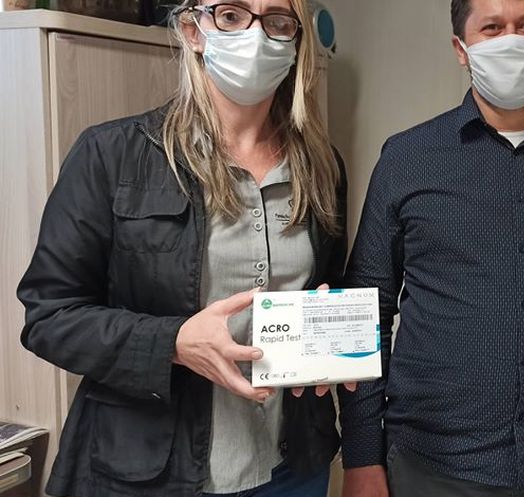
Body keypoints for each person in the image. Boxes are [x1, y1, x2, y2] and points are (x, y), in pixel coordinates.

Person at [17, 1, 351, 496]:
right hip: (149, 472)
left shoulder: (320, 167)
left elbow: (329, 287)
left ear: (295, 42)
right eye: (232, 15)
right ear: (193, 30)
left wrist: (324, 337)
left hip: (291, 467)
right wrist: (172, 342)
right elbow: (49, 317)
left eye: (278, 22)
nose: (256, 37)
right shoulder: (112, 155)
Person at [338, 1, 524, 496]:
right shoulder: (407, 158)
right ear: (461, 48)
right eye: (492, 28)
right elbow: (366, 309)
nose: (511, 41)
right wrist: (361, 456)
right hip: (427, 467)